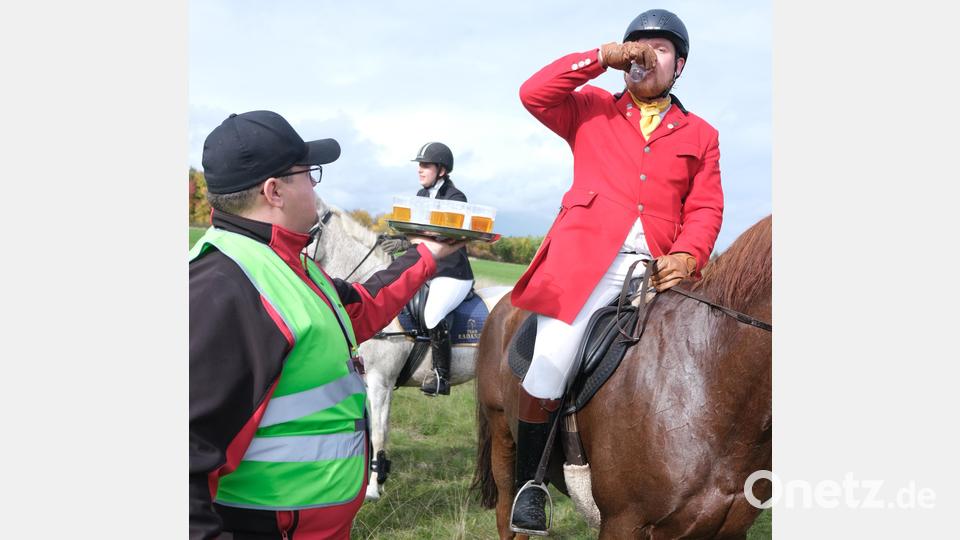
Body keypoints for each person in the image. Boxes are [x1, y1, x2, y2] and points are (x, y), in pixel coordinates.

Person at [189, 110, 464, 539]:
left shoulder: (287, 263)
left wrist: (427, 254)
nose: (316, 185)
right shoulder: (222, 290)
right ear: (274, 191)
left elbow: (362, 306)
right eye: (308, 173)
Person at [507, 9, 724, 534]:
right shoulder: (589, 108)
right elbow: (533, 92)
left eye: (661, 48)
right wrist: (601, 57)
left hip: (662, 270)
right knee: (552, 361)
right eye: (637, 46)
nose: (647, 54)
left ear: (681, 66)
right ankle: (529, 483)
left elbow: (706, 208)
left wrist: (690, 254)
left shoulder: (702, 133)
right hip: (586, 265)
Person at [410, 141, 475, 396]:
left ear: (442, 170)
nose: (420, 170)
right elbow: (416, 231)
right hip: (428, 270)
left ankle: (441, 376)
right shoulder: (421, 196)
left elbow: (440, 238)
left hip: (453, 274)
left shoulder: (456, 198)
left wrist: (418, 237)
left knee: (433, 313)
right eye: (419, 165)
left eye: (425, 165)